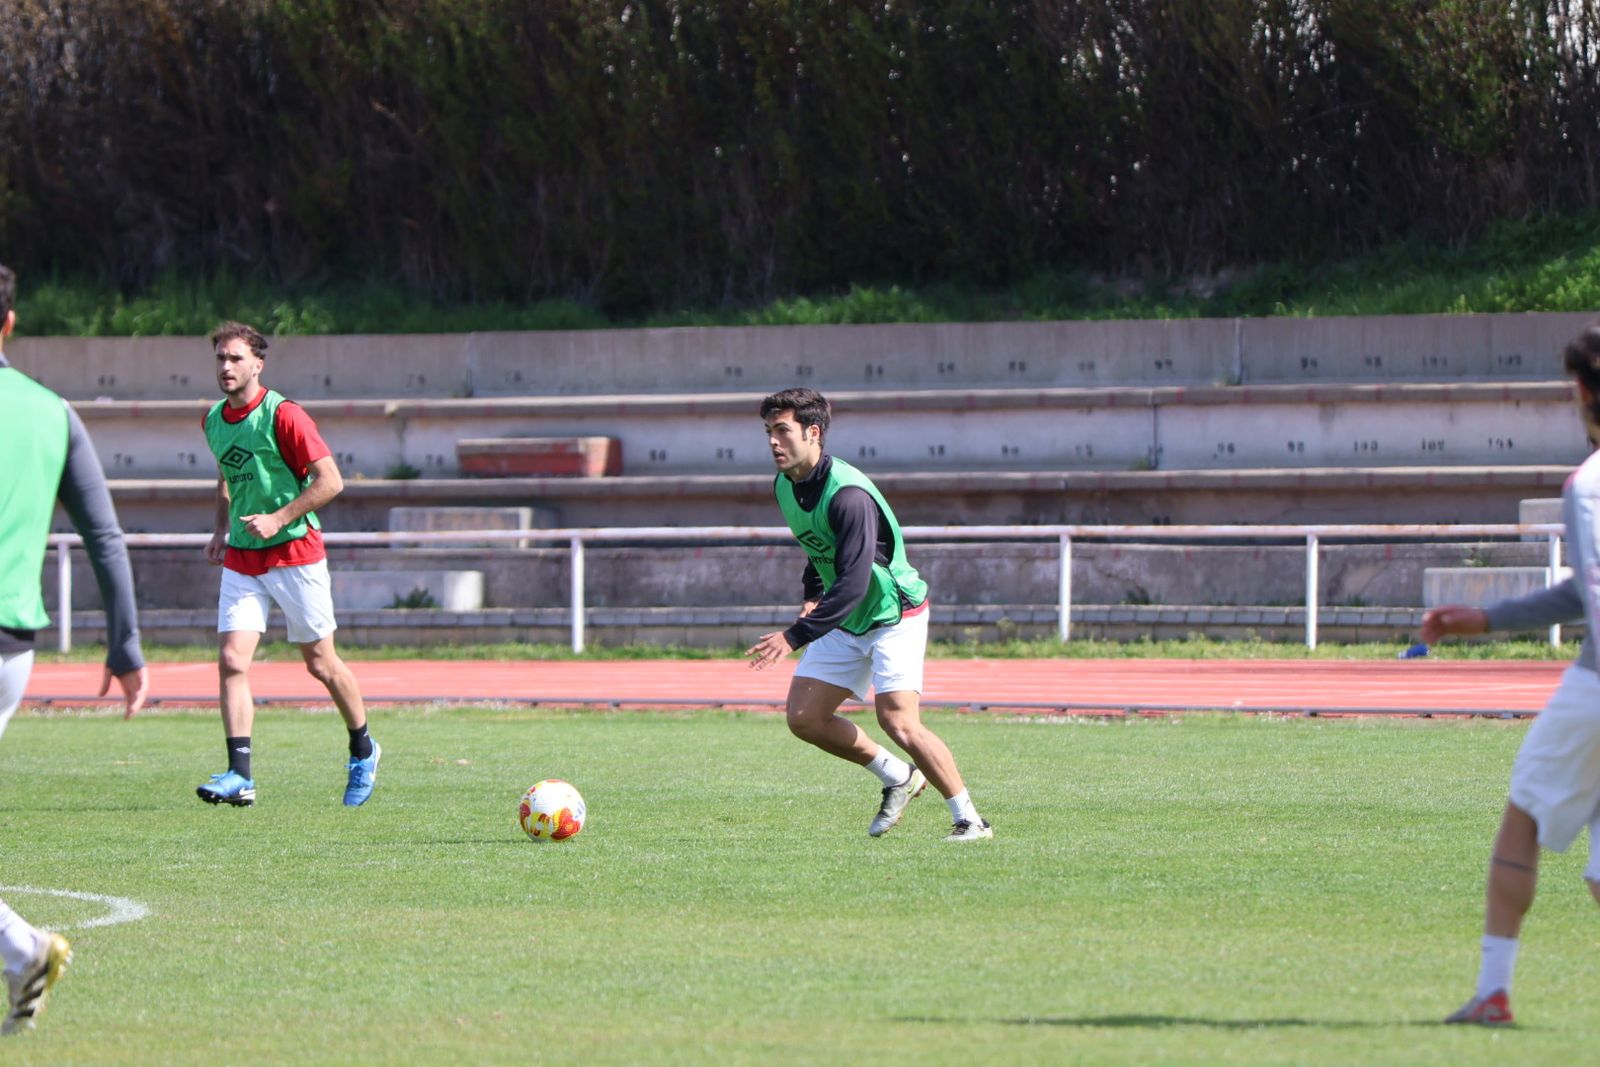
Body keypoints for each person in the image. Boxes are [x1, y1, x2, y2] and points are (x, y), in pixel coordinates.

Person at [1425, 320, 1600, 1027]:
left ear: (1582, 391)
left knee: (1524, 813)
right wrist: (1490, 618)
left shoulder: (1589, 484)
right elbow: (1582, 591)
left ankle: (1493, 991)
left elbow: (1595, 590)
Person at [0, 261, 149, 1034]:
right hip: (10, 650)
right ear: (10, 323)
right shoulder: (52, 412)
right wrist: (125, 645)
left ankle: (23, 949)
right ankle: (20, 951)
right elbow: (104, 535)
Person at [747, 388, 991, 841]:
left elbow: (855, 582)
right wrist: (812, 592)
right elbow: (818, 548)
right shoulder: (785, 485)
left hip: (893, 614)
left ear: (813, 432)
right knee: (805, 717)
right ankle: (898, 776)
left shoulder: (849, 496)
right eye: (768, 432)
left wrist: (794, 635)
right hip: (845, 616)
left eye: (782, 430)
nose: (773, 442)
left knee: (898, 721)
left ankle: (970, 820)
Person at [198, 321, 379, 807]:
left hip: (295, 553)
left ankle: (363, 749)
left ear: (258, 364)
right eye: (220, 358)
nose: (226, 366)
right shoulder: (213, 419)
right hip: (243, 556)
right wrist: (220, 530)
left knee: (320, 664)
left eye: (236, 358)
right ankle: (240, 776)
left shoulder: (285, 415)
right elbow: (226, 475)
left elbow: (331, 481)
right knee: (232, 661)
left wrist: (278, 518)